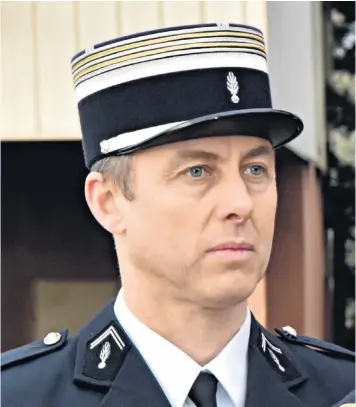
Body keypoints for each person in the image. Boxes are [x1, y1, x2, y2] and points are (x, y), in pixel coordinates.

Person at [1, 22, 354, 407]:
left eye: (255, 169)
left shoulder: (339, 391)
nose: (240, 204)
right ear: (108, 201)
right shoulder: (22, 397)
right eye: (197, 171)